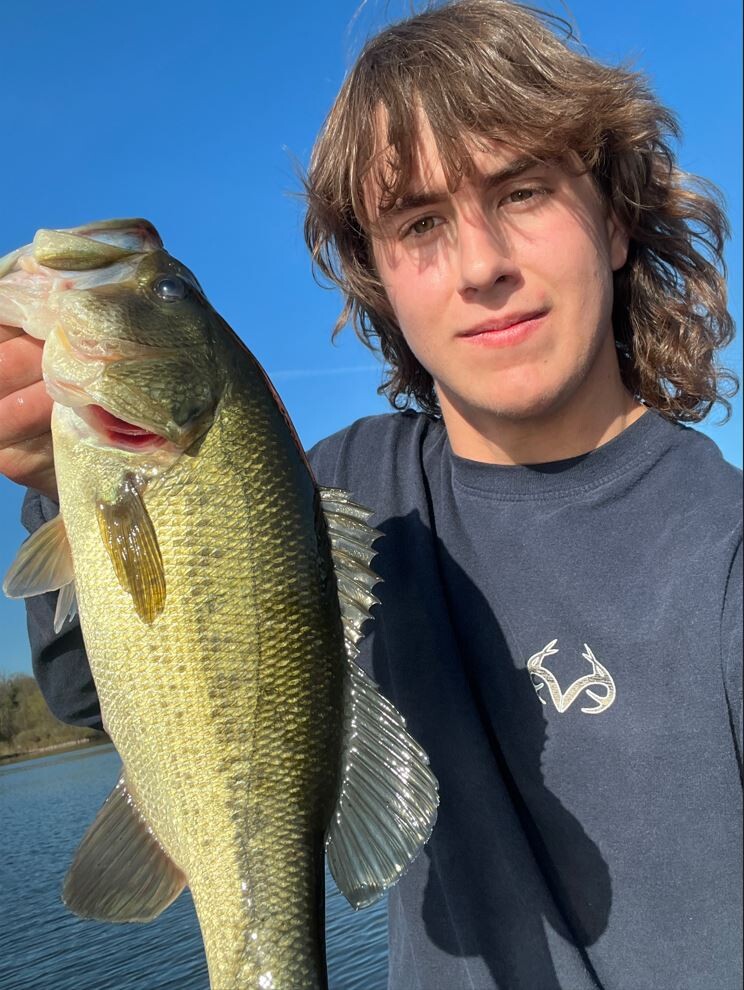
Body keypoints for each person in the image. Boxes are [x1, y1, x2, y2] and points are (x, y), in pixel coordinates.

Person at [1, 2, 741, 988]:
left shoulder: (725, 556)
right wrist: (67, 490)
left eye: (521, 191)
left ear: (612, 223)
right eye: (422, 222)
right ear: (378, 276)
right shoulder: (332, 493)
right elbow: (101, 691)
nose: (483, 266)